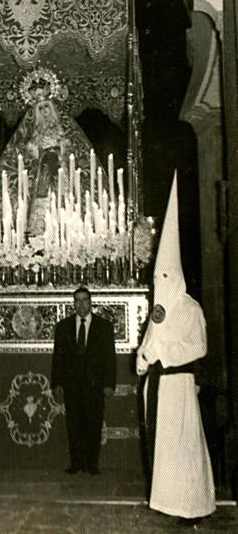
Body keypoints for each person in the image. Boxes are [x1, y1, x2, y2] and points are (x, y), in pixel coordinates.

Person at [136, 172, 215, 527]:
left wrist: (165, 353)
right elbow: (148, 343)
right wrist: (142, 359)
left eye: (165, 279)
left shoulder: (191, 309)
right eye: (157, 279)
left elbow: (198, 345)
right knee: (162, 446)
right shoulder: (160, 308)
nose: (160, 285)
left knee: (182, 445)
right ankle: (168, 501)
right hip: (158, 384)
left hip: (179, 384)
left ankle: (193, 504)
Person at [0, 75, 106, 235]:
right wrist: (34, 149)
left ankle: (67, 227)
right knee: (42, 198)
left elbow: (73, 149)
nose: (44, 111)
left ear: (52, 108)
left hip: (60, 169)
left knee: (63, 196)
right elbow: (28, 153)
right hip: (42, 170)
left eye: (46, 107)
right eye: (40, 108)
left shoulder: (63, 130)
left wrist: (62, 148)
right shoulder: (35, 134)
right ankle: (39, 229)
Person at [51, 286, 116, 475]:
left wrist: (109, 384)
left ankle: (92, 465)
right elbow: (58, 358)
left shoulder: (104, 327)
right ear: (74, 304)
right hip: (72, 386)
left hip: (95, 386)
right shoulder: (63, 327)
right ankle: (76, 463)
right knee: (74, 424)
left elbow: (109, 358)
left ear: (91, 302)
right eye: (77, 301)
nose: (81, 304)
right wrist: (57, 384)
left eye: (85, 300)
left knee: (93, 424)